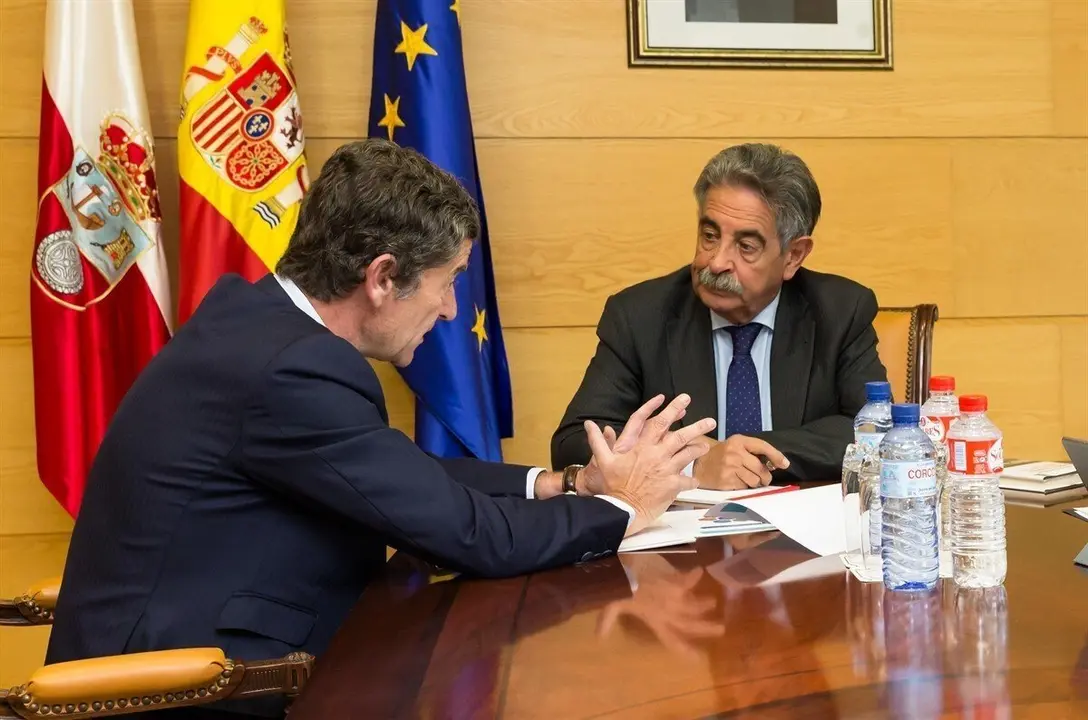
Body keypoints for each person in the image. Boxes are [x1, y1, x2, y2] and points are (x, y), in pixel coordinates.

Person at [44, 138, 716, 719]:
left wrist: (567, 483)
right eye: (448, 282)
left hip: (225, 651)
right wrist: (622, 507)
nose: (450, 310)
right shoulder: (289, 368)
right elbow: (471, 536)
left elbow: (397, 475)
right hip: (189, 693)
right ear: (383, 278)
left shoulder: (261, 328)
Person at [551, 143, 889, 487]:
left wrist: (743, 455)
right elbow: (574, 441)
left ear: (793, 256)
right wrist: (694, 461)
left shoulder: (841, 311)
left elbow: (876, 431)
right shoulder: (640, 316)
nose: (716, 262)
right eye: (710, 236)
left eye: (746, 246)